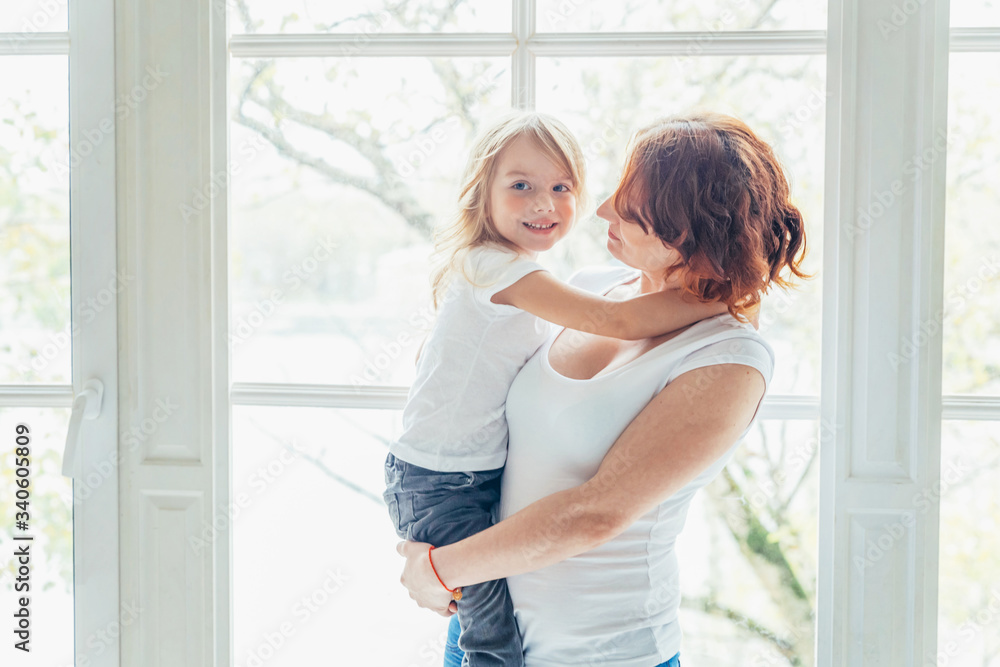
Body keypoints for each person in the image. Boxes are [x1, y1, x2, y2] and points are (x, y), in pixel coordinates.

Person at [396, 112, 809, 667]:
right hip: (487, 634)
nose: (601, 210)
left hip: (602, 655)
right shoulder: (593, 288)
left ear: (687, 233)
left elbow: (595, 513)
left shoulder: (728, 359)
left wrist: (440, 569)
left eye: (631, 209)